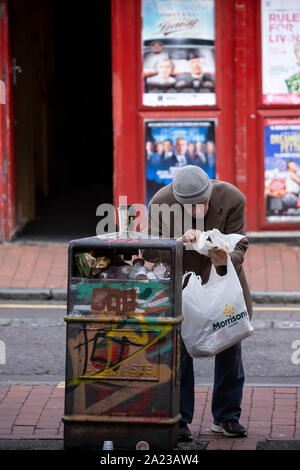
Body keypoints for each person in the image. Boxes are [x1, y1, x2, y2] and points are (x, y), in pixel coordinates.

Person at [146, 165, 252, 441]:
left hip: (223, 283)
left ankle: (227, 417)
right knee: (179, 353)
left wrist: (223, 255)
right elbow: (149, 249)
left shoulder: (232, 198)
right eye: (191, 205)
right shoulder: (160, 202)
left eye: (203, 202)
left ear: (210, 192)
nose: (199, 209)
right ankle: (180, 420)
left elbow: (239, 245)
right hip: (183, 286)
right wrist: (178, 243)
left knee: (230, 347)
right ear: (178, 199)